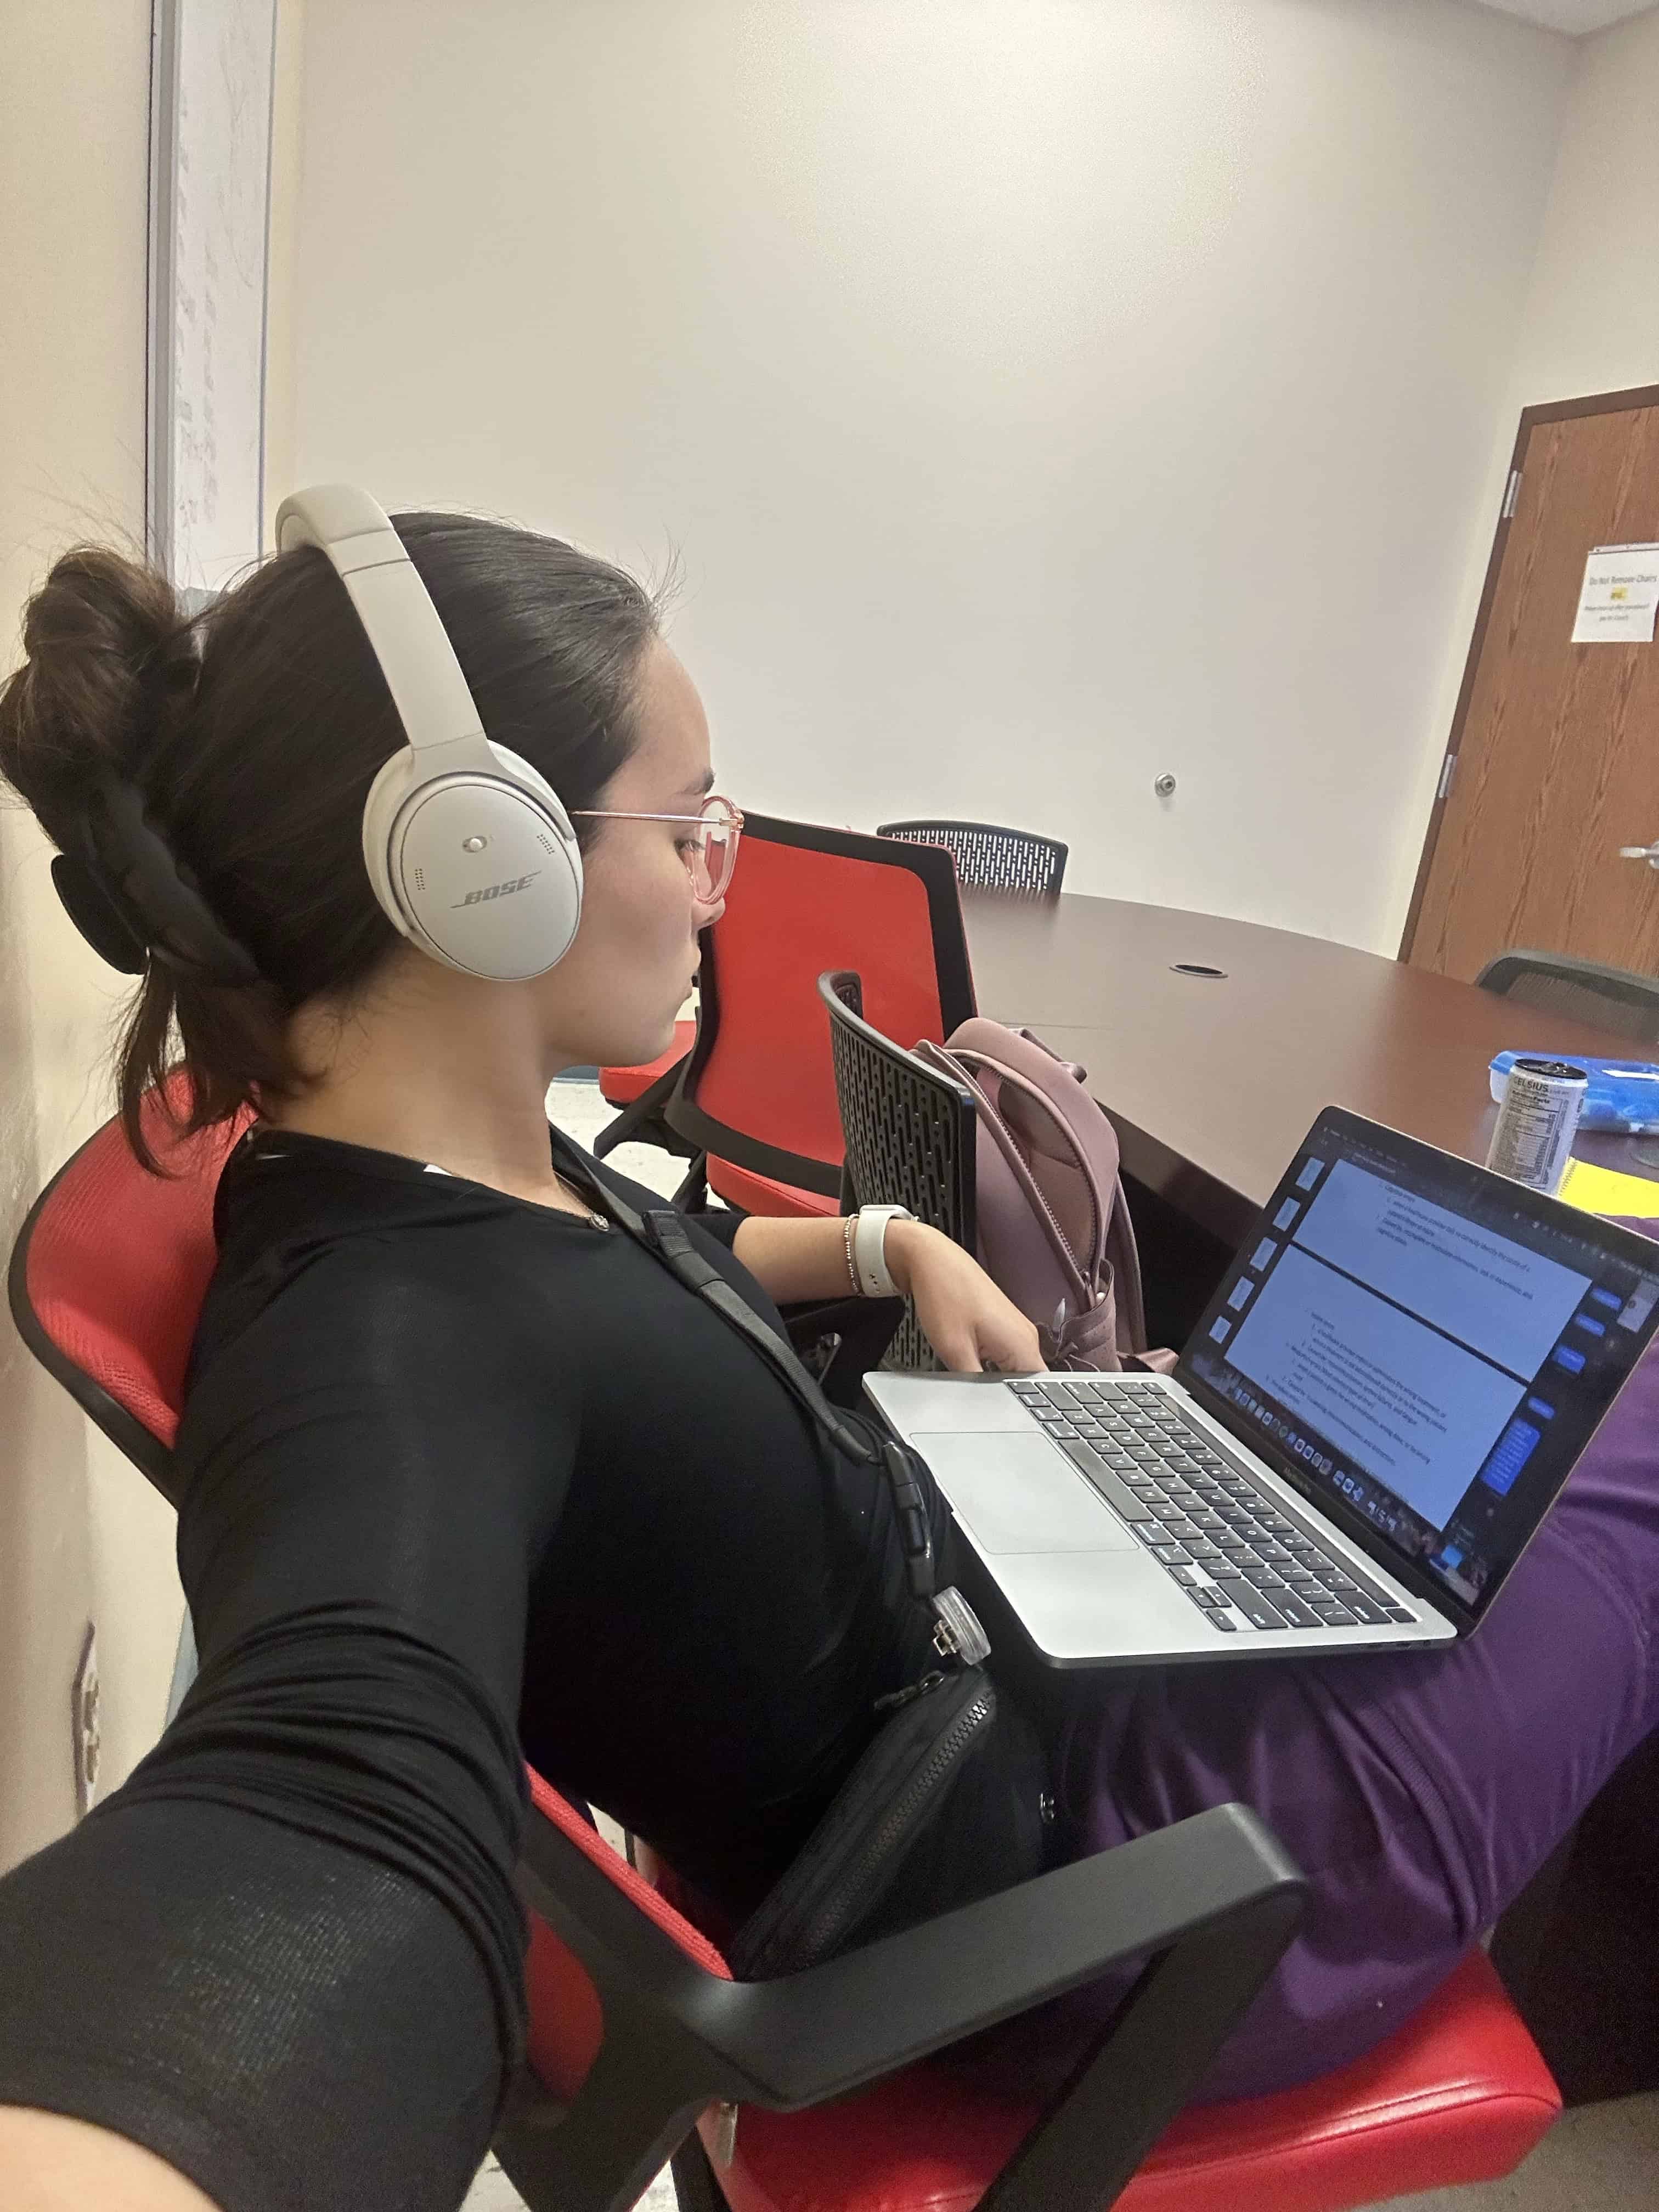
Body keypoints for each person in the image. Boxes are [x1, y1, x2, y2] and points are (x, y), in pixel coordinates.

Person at [0, 512, 1654, 2212]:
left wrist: (888, 1243)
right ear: (479, 863)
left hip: (1005, 1703)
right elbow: (322, 1795)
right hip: (1084, 1911)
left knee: (1415, 1462)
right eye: (686, 819)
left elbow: (637, 1276)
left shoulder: (404, 1150)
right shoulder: (390, 1344)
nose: (724, 873)